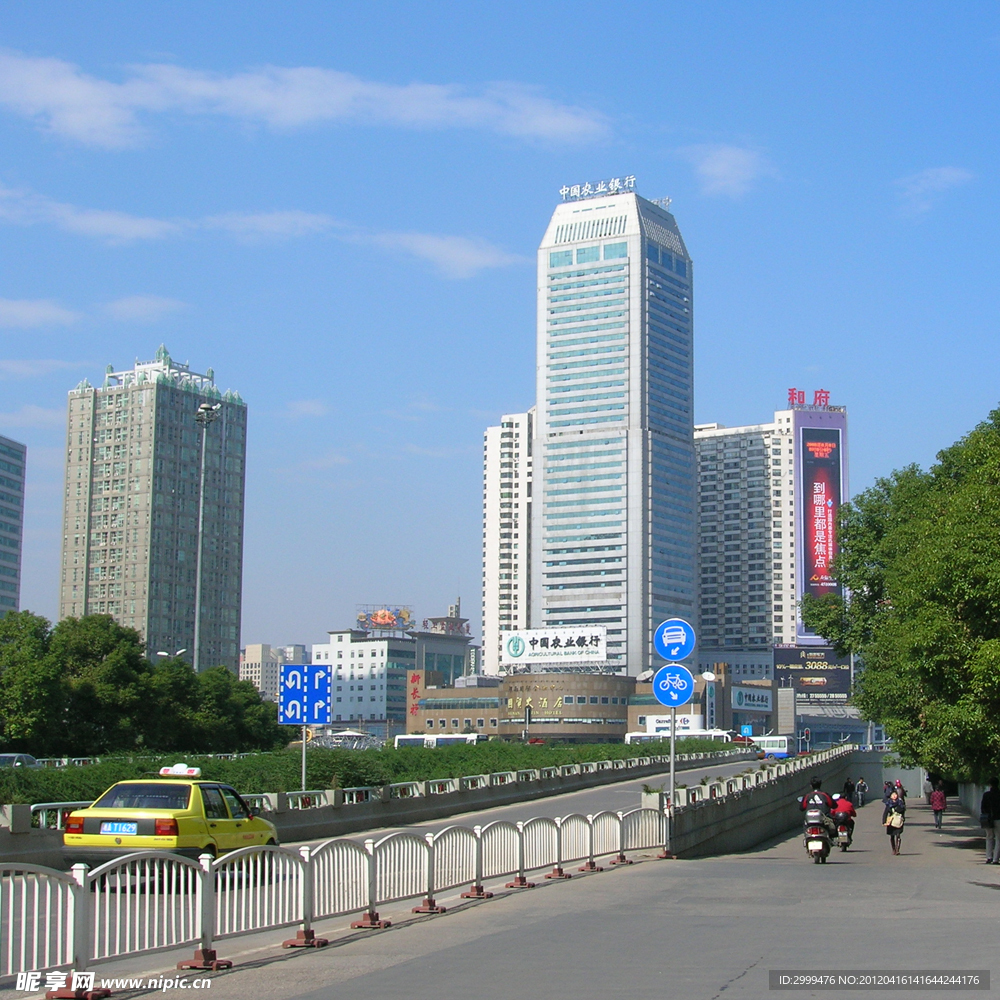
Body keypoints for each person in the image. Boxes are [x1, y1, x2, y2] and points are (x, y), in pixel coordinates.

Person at [981, 778, 1000, 863]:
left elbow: (982, 808)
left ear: (990, 785)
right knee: (998, 838)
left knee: (989, 837)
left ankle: (989, 857)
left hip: (988, 819)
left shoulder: (986, 795)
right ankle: (996, 859)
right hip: (998, 819)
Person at [883, 789, 906, 855]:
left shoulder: (900, 802)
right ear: (890, 796)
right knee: (892, 835)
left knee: (898, 835)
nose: (894, 796)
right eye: (893, 795)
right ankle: (893, 849)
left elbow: (903, 811)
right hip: (891, 821)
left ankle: (897, 849)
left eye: (895, 794)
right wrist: (884, 821)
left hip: (898, 820)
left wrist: (903, 818)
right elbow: (885, 813)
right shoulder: (888, 803)